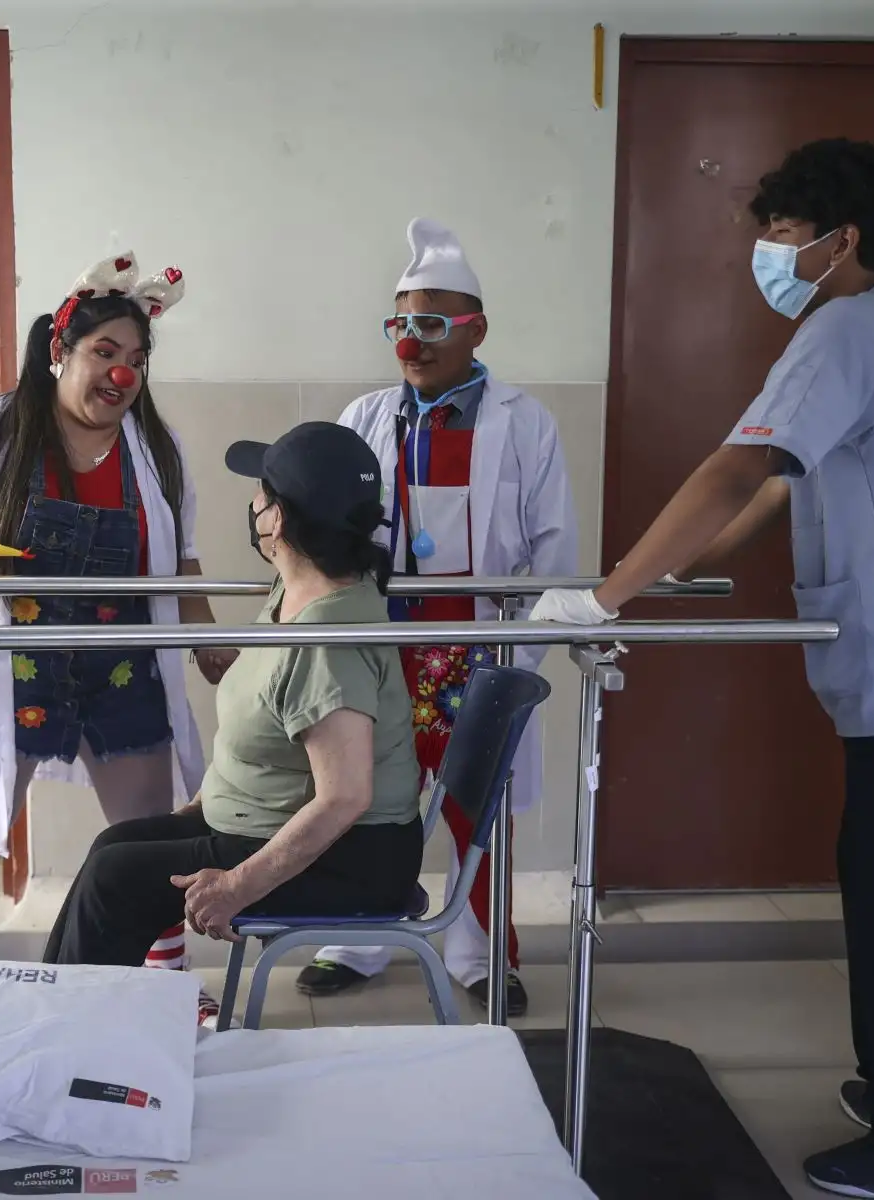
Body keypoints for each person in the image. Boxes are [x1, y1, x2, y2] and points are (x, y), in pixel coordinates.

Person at [533, 139, 874, 1198]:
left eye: (783, 233)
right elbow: (780, 489)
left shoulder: (845, 330)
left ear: (842, 241)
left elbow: (739, 464)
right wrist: (663, 578)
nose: (766, 251)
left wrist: (608, 593)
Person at [0, 251, 236, 1009]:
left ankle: (168, 985)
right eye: (105, 354)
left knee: (151, 833)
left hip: (122, 660)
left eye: (136, 361)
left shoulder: (158, 450)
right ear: (60, 351)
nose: (122, 376)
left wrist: (214, 642)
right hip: (16, 660)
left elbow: (182, 562)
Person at [300, 219, 578, 1017]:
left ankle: (482, 953)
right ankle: (352, 937)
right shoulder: (365, 414)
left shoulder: (524, 423)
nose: (411, 343)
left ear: (476, 329)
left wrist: (520, 660)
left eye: (430, 324)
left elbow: (556, 551)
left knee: (473, 806)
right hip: (382, 645)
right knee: (365, 793)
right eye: (400, 324)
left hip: (479, 643)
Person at [43, 422, 425, 995]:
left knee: (114, 879)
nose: (252, 502)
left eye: (260, 490)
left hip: (356, 861)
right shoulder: (300, 586)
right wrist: (205, 806)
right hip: (280, 822)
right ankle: (55, 1016)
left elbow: (346, 796)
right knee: (114, 848)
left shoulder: (325, 645)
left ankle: (69, 1042)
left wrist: (239, 886)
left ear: (277, 518)